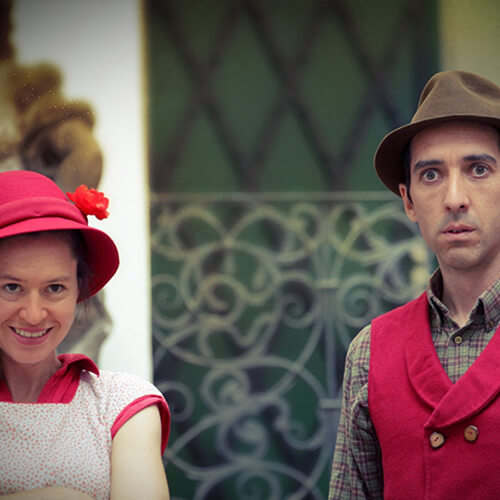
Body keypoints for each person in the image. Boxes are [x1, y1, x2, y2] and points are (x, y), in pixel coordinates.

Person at [329, 70, 500, 499]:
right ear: (408, 201)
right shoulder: (370, 352)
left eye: (479, 169)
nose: (455, 198)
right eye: (431, 175)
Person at [0, 171, 171, 499]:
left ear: (79, 288)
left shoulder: (121, 403)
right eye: (11, 287)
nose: (34, 315)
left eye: (55, 288)